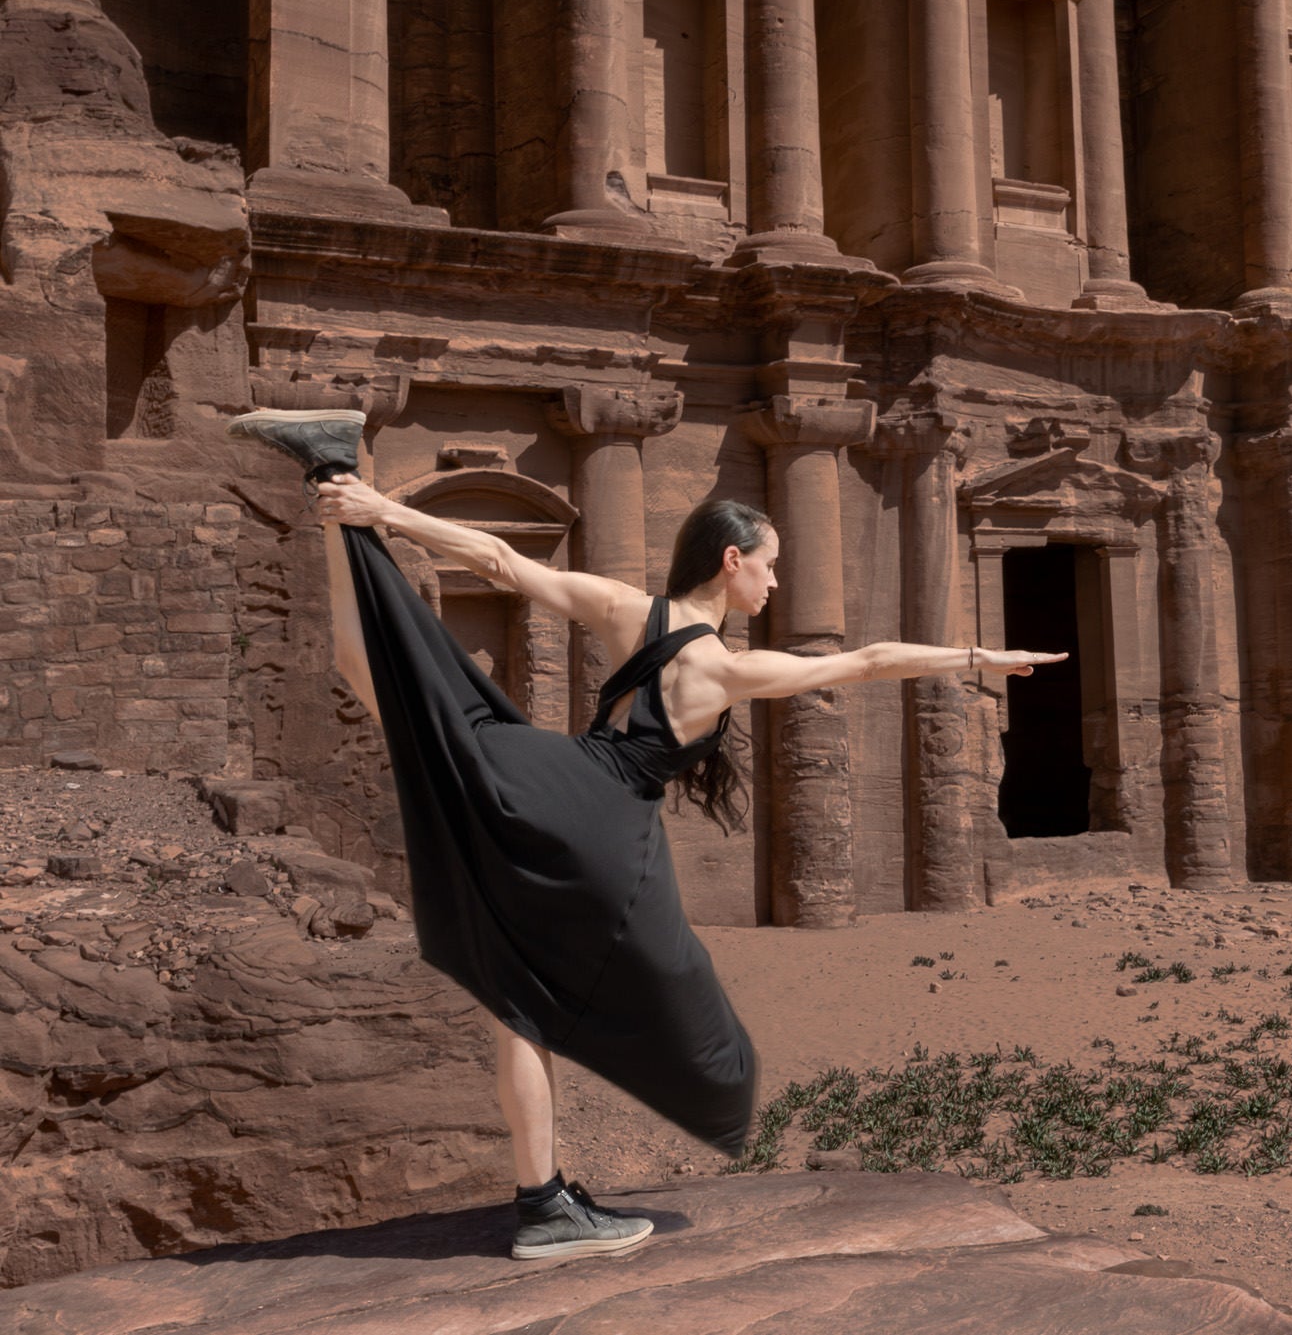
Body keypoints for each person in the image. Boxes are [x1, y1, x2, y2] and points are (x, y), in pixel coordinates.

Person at [226, 406, 1059, 1262]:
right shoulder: (725, 667)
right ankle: (555, 1196)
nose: (776, 584)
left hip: (542, 770)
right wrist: (976, 660)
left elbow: (500, 561)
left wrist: (383, 512)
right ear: (732, 562)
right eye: (771, 567)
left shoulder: (630, 609)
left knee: (401, 700)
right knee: (699, 1031)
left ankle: (331, 473)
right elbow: (870, 660)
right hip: (599, 825)